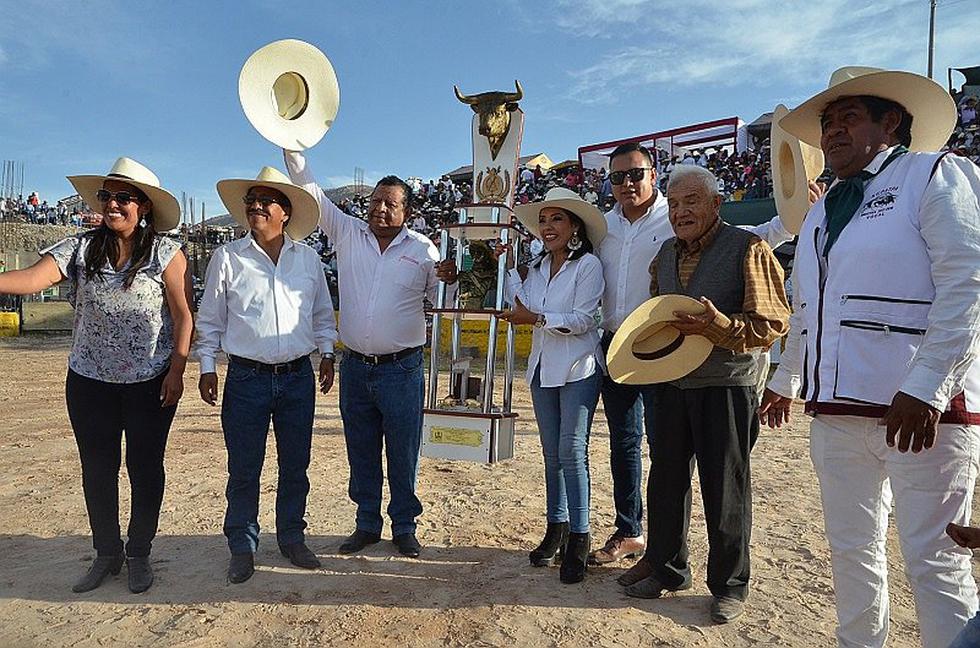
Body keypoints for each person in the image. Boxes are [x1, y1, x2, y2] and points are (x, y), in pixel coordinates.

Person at [760, 66, 980, 648]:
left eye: (848, 116)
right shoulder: (821, 212)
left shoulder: (936, 174)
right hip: (836, 411)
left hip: (925, 412)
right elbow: (809, 309)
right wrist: (786, 378)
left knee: (935, 558)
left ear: (893, 122)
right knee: (851, 549)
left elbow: (968, 282)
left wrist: (928, 384)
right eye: (828, 121)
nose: (831, 131)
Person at [593, 143, 796, 568]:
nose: (682, 212)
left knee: (725, 487)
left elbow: (773, 325)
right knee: (665, 479)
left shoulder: (748, 247)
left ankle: (729, 584)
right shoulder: (664, 253)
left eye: (692, 202)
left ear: (718, 203)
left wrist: (717, 327)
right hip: (664, 375)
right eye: (678, 204)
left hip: (726, 381)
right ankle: (665, 568)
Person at [0, 157, 191, 594]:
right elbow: (32, 280)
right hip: (89, 382)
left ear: (143, 206)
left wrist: (177, 369)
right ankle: (107, 553)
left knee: (145, 468)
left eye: (123, 197)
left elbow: (183, 316)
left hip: (150, 382)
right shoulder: (80, 246)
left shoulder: (166, 252)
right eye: (107, 196)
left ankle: (139, 552)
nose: (112, 204)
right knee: (97, 469)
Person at [284, 149, 457, 559]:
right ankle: (366, 523)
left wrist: (451, 277)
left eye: (389, 204)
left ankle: (404, 526)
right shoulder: (346, 232)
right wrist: (292, 141)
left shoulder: (424, 250)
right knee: (360, 448)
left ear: (407, 212)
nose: (379, 209)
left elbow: (441, 303)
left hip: (402, 368)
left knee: (403, 450)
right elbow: (309, 189)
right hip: (357, 367)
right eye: (375, 201)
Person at [195, 167, 337, 584]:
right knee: (244, 467)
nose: (255, 206)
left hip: (297, 377)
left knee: (296, 464)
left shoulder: (308, 259)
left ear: (286, 213)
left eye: (265, 200)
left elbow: (322, 316)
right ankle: (242, 543)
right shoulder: (228, 257)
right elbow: (211, 321)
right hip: (246, 378)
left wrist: (327, 354)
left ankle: (292, 537)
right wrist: (207, 366)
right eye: (250, 200)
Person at [499, 187, 606, 584]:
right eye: (544, 220)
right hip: (544, 367)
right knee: (551, 454)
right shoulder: (538, 267)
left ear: (574, 226)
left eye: (556, 219)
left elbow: (583, 319)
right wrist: (508, 269)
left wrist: (537, 319)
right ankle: (556, 527)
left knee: (571, 450)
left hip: (578, 366)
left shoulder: (589, 266)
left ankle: (579, 535)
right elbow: (522, 303)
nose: (548, 227)